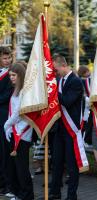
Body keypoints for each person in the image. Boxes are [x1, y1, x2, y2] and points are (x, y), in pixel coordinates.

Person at [50, 55, 87, 200]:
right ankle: (55, 192)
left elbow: (67, 101)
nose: (55, 72)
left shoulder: (75, 81)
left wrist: (54, 90)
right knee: (57, 161)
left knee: (72, 165)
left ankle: (72, 196)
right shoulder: (59, 80)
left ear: (63, 65)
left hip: (71, 129)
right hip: (59, 128)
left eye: (56, 68)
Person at [4, 62, 34, 200]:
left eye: (14, 75)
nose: (11, 78)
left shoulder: (24, 92)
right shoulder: (15, 90)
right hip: (14, 131)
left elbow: (19, 113)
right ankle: (19, 193)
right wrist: (9, 126)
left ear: (21, 75)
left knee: (22, 168)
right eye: (10, 75)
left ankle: (27, 195)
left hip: (22, 133)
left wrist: (7, 124)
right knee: (16, 166)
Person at [0, 47, 13, 197]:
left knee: (5, 153)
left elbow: (6, 96)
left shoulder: (10, 75)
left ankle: (7, 184)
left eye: (9, 58)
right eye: (4, 58)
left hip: (5, 118)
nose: (7, 61)